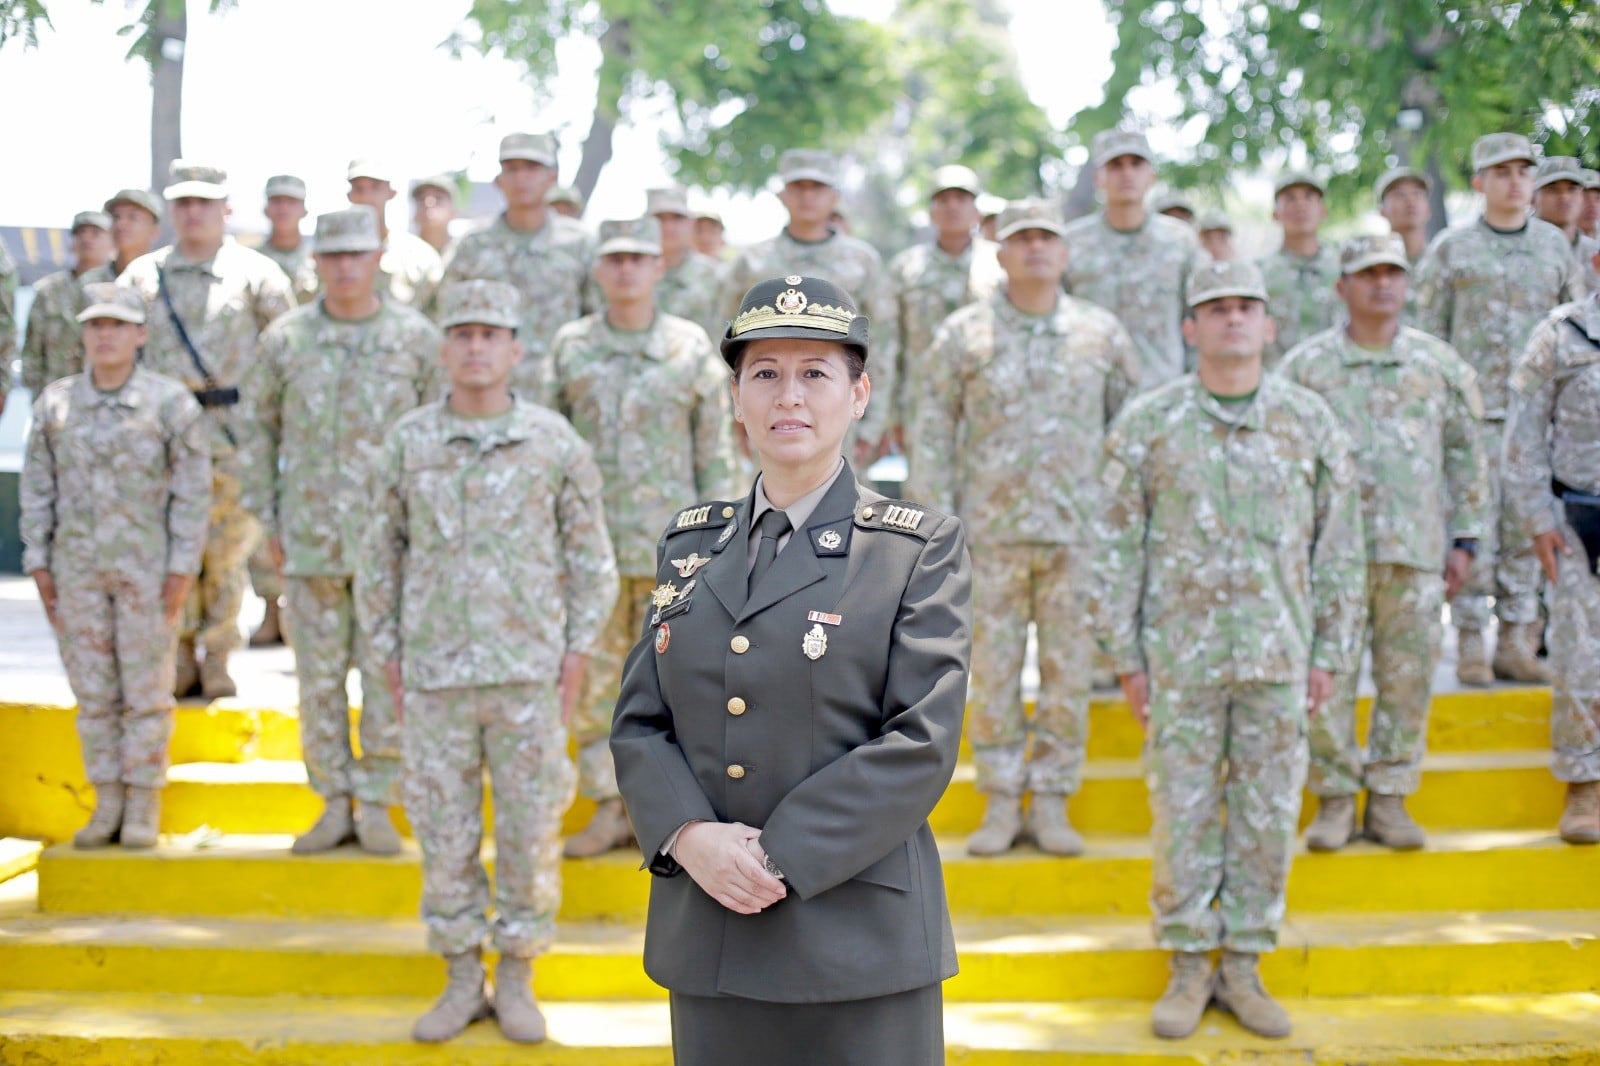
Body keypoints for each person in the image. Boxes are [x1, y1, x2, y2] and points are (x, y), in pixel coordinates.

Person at [611, 275, 971, 1066]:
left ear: (860, 393)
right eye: (765, 373)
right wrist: (690, 836)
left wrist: (771, 856)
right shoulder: (690, 545)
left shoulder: (914, 550)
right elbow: (640, 722)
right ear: (736, 397)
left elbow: (921, 740)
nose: (790, 396)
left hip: (857, 938)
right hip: (711, 934)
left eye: (816, 372)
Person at [1095, 259, 1364, 1040]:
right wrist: (1126, 657)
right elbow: (1115, 545)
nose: (1233, 319)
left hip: (1279, 656)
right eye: (1215, 309)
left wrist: (1328, 654)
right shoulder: (1149, 424)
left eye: (1247, 306)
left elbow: (1339, 545)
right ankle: (1187, 964)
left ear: (1271, 323)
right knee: (1181, 813)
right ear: (1191, 328)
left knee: (1268, 813)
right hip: (1180, 662)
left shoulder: (1309, 421)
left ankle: (1243, 963)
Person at [358, 279, 618, 1044]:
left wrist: (574, 656)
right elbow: (378, 557)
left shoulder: (552, 442)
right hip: (435, 678)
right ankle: (460, 975)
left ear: (515, 349)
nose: (475, 347)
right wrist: (389, 658)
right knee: (443, 831)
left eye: (489, 334)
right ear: (444, 349)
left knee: (532, 831)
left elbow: (592, 560)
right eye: (461, 333)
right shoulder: (408, 442)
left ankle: (518, 974)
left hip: (530, 678)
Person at [915, 199, 1138, 857]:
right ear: (1002, 253)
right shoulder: (964, 334)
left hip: (1079, 539)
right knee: (992, 672)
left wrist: (1120, 528)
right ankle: (1003, 799)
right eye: (1022, 239)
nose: (1036, 248)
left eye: (1047, 238)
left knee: (1069, 674)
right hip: (990, 538)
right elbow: (932, 433)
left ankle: (1053, 801)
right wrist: (939, 529)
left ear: (1065, 253)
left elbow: (1128, 438)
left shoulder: (1101, 334)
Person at [241, 206, 442, 855]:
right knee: (318, 680)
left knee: (389, 674)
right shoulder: (285, 340)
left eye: (357, 254)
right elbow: (256, 433)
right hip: (309, 543)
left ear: (377, 257)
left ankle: (379, 800)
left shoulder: (416, 338)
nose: (346, 267)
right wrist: (267, 521)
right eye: (333, 256)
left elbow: (441, 439)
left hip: (393, 546)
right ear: (317, 263)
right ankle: (332, 801)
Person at [1279, 234, 1489, 851]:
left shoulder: (1438, 364)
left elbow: (1465, 455)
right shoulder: (1306, 367)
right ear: (1342, 286)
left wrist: (1466, 537)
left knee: (1408, 679)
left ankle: (1392, 797)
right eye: (1366, 273)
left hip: (1415, 552)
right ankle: (1337, 798)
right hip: (1329, 559)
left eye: (1392, 272)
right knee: (1329, 682)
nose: (1382, 284)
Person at [545, 217, 738, 858]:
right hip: (589, 548)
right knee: (600, 686)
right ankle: (608, 806)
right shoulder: (570, 348)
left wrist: (724, 541)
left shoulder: (689, 350)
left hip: (675, 551)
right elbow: (548, 450)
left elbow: (714, 455)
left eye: (639, 259)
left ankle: (674, 813)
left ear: (660, 266)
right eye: (614, 259)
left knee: (680, 686)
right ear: (598, 270)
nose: (626, 270)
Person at [20, 284, 211, 849]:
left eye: (119, 325)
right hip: (76, 572)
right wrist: (39, 562)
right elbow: (37, 489)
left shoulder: (170, 403)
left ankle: (144, 802)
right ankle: (107, 801)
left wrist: (182, 566)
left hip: (147, 574)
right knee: (95, 692)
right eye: (96, 324)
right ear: (83, 332)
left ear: (140, 334)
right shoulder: (56, 403)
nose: (106, 335)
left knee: (148, 690)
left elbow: (193, 491)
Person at [119, 160, 297, 700]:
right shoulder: (142, 278)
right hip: (159, 443)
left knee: (224, 555)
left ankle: (217, 656)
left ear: (226, 208)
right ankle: (176, 658)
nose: (193, 212)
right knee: (168, 554)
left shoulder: (258, 275)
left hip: (232, 440)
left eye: (204, 202)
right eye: (183, 202)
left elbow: (287, 354)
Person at [1414, 133, 1583, 685]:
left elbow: (1573, 330)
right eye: (1501, 171)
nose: (1514, 181)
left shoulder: (1555, 247)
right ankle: (1468, 641)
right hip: (1472, 415)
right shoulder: (1452, 248)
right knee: (1470, 528)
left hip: (1535, 418)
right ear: (1479, 181)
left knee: (1526, 529)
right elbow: (1428, 336)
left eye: (1522, 171)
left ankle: (1515, 639)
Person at [1503, 252, 1600, 844]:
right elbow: (1523, 435)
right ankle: (1584, 782)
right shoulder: (1560, 334)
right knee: (1577, 653)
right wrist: (1538, 518)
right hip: (1578, 517)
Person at [720, 150, 899, 459]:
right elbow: (726, 341)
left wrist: (876, 421)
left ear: (834, 196)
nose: (807, 196)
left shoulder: (862, 261)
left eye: (816, 187)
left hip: (839, 414)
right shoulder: (753, 261)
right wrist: (733, 412)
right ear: (782, 195)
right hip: (770, 416)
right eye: (798, 187)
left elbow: (883, 341)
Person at [439, 132, 597, 394]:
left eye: (532, 168)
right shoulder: (473, 247)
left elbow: (596, 320)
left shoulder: (579, 244)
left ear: (552, 178)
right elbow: (448, 319)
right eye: (512, 169)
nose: (521, 178)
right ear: (499, 180)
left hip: (559, 389)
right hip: (488, 393)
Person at [1062, 129, 1205, 391]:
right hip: (1090, 395)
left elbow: (1200, 320)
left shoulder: (1180, 242)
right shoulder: (1071, 243)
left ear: (1151, 176)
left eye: (1136, 164)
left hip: (1164, 392)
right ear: (1098, 177)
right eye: (1115, 165)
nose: (1127, 173)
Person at [888, 163, 1003, 472]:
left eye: (962, 198)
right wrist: (891, 415)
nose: (953, 206)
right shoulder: (907, 268)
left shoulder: (1001, 262)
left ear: (976, 209)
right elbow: (890, 346)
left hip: (990, 403)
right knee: (924, 504)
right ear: (931, 210)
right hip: (923, 404)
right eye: (944, 198)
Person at [20, 210, 112, 394]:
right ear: (72, 243)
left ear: (111, 242)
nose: (87, 239)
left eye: (96, 233)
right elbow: (32, 350)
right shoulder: (48, 291)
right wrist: (39, 394)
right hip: (55, 395)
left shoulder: (120, 287)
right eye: (80, 233)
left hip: (105, 398)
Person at [1257, 172, 1342, 366]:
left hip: (1336, 377)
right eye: (1290, 199)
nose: (1300, 205)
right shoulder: (1258, 272)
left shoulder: (1346, 267)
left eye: (1309, 197)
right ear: (1275, 214)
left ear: (1323, 211)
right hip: (1276, 378)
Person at [345, 158, 444, 313]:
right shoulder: (331, 258)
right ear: (349, 195)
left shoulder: (420, 257)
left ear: (391, 193)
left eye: (375, 188)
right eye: (359, 189)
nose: (366, 197)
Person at [648, 185, 725, 342]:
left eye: (677, 218)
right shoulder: (626, 273)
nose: (668, 226)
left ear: (690, 223)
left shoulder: (713, 275)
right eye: (660, 218)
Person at [1533, 156, 1599, 293]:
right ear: (1533, 198)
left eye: (1572, 189)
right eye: (1553, 189)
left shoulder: (1593, 252)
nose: (1564, 197)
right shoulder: (1517, 250)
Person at [259, 175, 318, 306]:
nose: (283, 208)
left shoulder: (319, 259)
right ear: (266, 209)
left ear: (304, 210)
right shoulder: (252, 261)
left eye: (292, 201)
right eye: (276, 201)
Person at [85, 189, 162, 283]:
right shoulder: (89, 282)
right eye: (116, 217)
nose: (121, 224)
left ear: (154, 231)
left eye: (133, 217)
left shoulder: (165, 279)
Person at [1378, 167, 1434, 267]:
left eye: (1417, 193)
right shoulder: (1376, 267)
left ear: (1428, 209)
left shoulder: (1446, 259)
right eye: (1399, 195)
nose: (1410, 200)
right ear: (1382, 211)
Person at [411, 174, 459, 255]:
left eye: (438, 198)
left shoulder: (464, 253)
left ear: (453, 213)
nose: (428, 203)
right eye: (421, 199)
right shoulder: (401, 253)